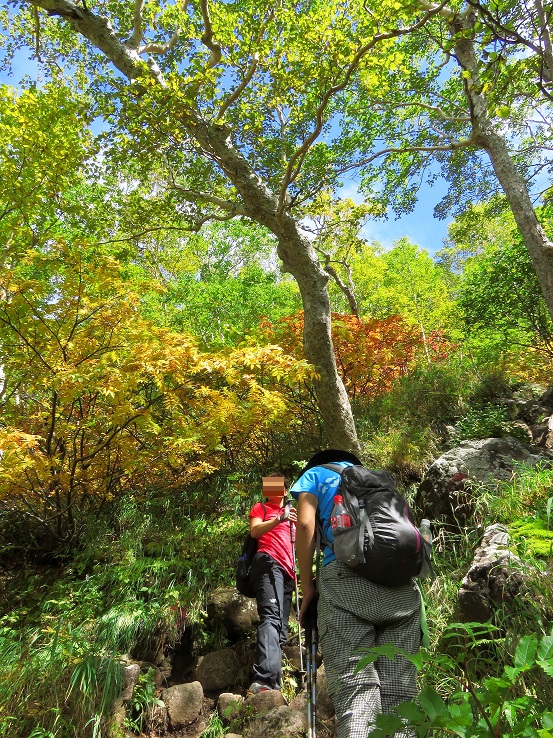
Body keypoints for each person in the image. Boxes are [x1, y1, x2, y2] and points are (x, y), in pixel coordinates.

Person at [291, 450, 421, 738]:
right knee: (400, 695)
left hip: (344, 585)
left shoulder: (314, 475)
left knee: (356, 690)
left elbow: (304, 525)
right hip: (400, 591)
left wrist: (308, 585)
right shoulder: (377, 481)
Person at [248, 472, 298, 694]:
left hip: (288, 573)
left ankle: (274, 683)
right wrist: (279, 518)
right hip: (268, 562)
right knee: (270, 617)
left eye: (278, 486)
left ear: (285, 491)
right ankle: (264, 680)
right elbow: (254, 530)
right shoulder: (262, 508)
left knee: (282, 629)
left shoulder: (293, 516)